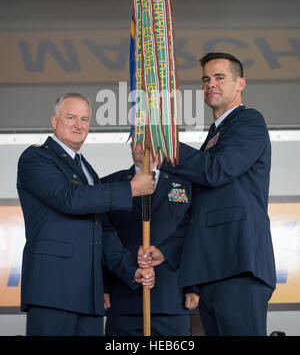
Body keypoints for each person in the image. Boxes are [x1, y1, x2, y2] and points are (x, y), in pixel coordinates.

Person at [139, 53, 276, 336]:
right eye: (205, 79)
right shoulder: (214, 136)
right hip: (213, 270)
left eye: (219, 77)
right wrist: (167, 250)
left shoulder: (249, 122)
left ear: (240, 84)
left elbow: (217, 170)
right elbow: (198, 211)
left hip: (239, 265)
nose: (210, 84)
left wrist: (166, 147)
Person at [17, 92, 155, 336]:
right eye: (71, 117)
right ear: (54, 120)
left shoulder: (87, 169)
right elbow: (69, 199)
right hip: (53, 290)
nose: (78, 125)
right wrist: (131, 188)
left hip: (89, 295)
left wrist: (129, 269)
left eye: (84, 119)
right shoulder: (35, 158)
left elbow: (102, 228)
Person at [101, 141, 199, 336]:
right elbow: (103, 238)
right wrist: (103, 286)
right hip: (124, 299)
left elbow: (193, 235)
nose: (146, 148)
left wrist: (193, 286)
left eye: (152, 142)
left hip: (172, 298)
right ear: (130, 145)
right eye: (140, 142)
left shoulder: (187, 185)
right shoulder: (110, 185)